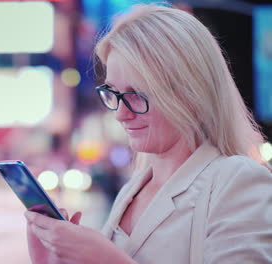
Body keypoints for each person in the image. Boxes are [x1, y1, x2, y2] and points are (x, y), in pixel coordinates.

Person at [24, 3, 272, 264]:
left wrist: (105, 258)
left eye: (136, 95)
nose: (120, 113)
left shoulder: (238, 180)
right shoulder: (133, 189)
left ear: (190, 92)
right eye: (114, 94)